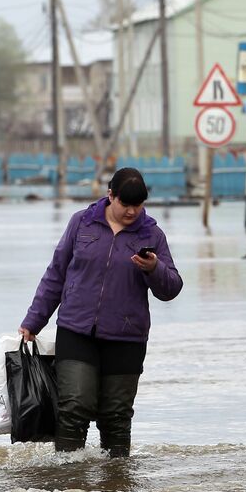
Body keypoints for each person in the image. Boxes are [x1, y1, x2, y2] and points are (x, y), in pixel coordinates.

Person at [18, 167, 182, 457]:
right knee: (74, 406)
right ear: (110, 195)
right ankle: (69, 479)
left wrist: (154, 268)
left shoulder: (152, 234)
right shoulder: (82, 223)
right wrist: (34, 321)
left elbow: (170, 289)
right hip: (76, 329)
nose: (132, 211)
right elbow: (56, 273)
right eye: (125, 204)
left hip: (126, 335)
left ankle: (117, 484)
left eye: (138, 205)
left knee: (116, 416)